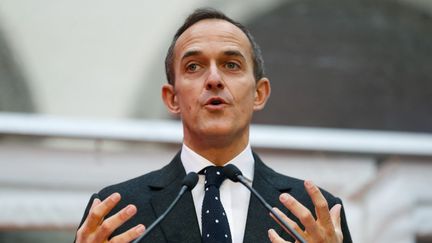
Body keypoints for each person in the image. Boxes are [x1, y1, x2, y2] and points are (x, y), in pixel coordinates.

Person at [75, 8, 352, 243]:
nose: (214, 79)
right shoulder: (116, 211)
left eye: (231, 64)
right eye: (194, 67)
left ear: (259, 93)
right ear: (172, 98)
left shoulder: (316, 214)